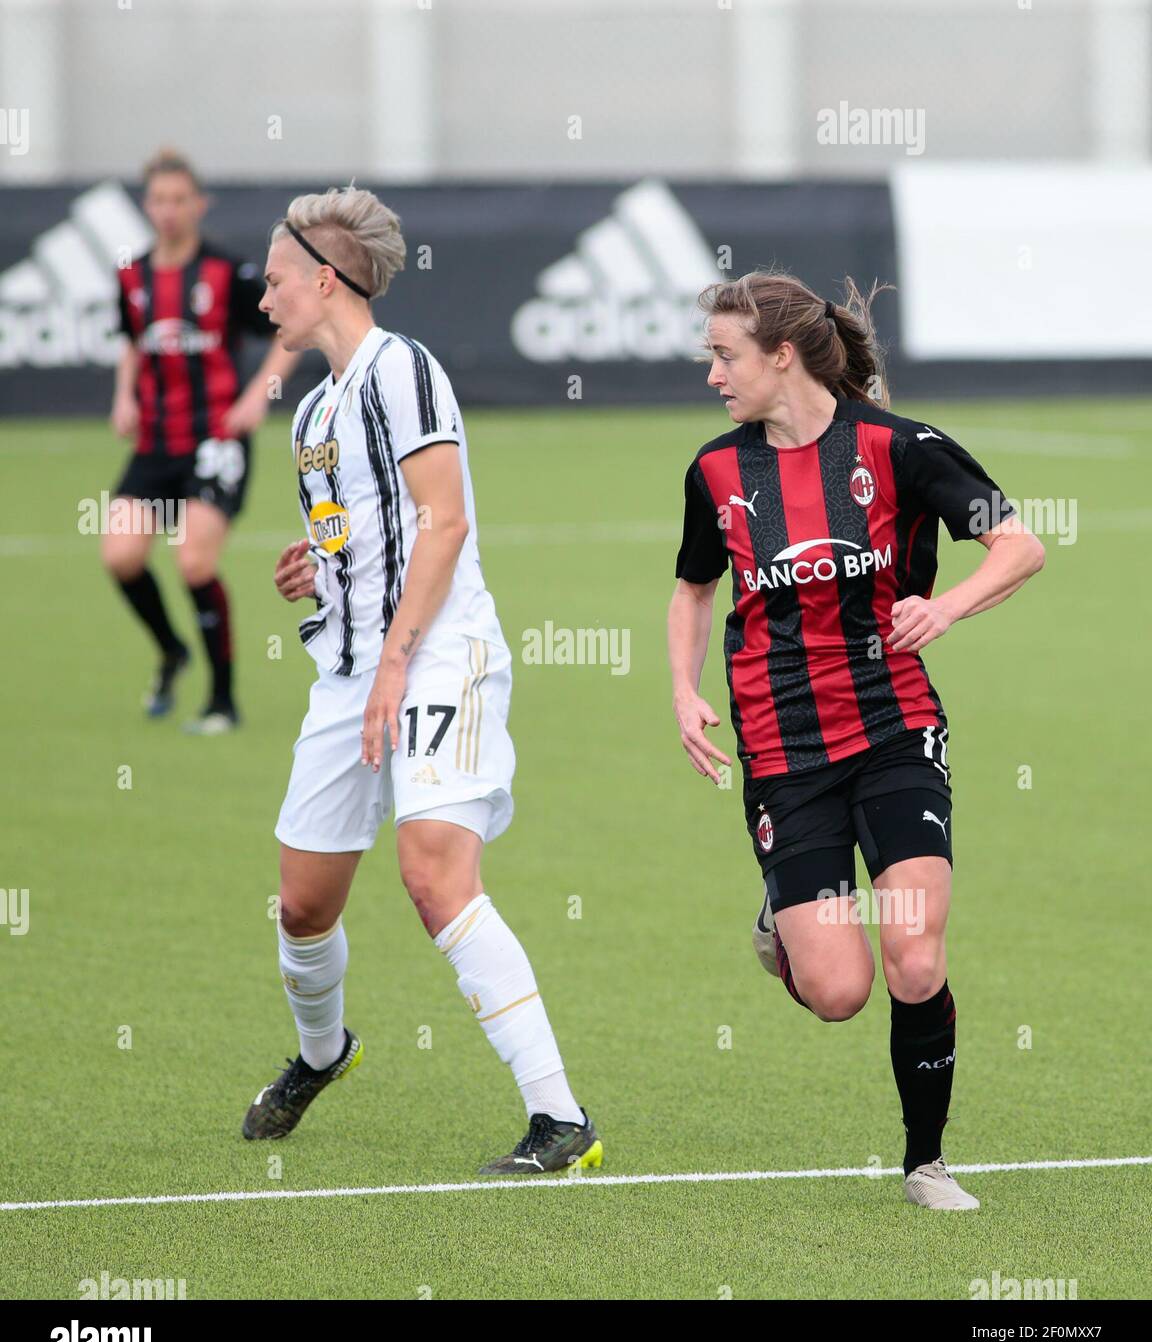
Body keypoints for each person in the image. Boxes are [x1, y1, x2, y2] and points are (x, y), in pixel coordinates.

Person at [243, 184, 601, 1176]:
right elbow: (367, 535)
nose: (261, 297)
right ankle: (324, 1056)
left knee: (434, 873)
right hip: (348, 672)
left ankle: (560, 1118)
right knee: (303, 905)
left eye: (273, 280)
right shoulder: (314, 407)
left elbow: (444, 522)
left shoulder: (403, 369)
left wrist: (398, 661)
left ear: (324, 278)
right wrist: (312, 567)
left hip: (438, 656)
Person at [668, 270, 1044, 1210]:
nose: (711, 375)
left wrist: (945, 606)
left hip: (893, 727)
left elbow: (1019, 544)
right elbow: (693, 589)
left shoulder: (902, 447)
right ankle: (781, 929)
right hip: (782, 744)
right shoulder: (717, 469)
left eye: (724, 356)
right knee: (838, 990)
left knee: (916, 954)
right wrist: (682, 690)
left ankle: (925, 1163)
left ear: (782, 355)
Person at [104, 148, 299, 732]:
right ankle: (172, 649)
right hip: (156, 443)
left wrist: (256, 397)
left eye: (179, 199)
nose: (169, 211)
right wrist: (124, 396)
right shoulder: (133, 276)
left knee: (193, 561)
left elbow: (286, 333)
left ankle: (222, 702)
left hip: (216, 440)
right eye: (159, 200)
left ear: (199, 204)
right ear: (148, 205)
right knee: (120, 554)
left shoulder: (228, 273)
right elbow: (133, 343)